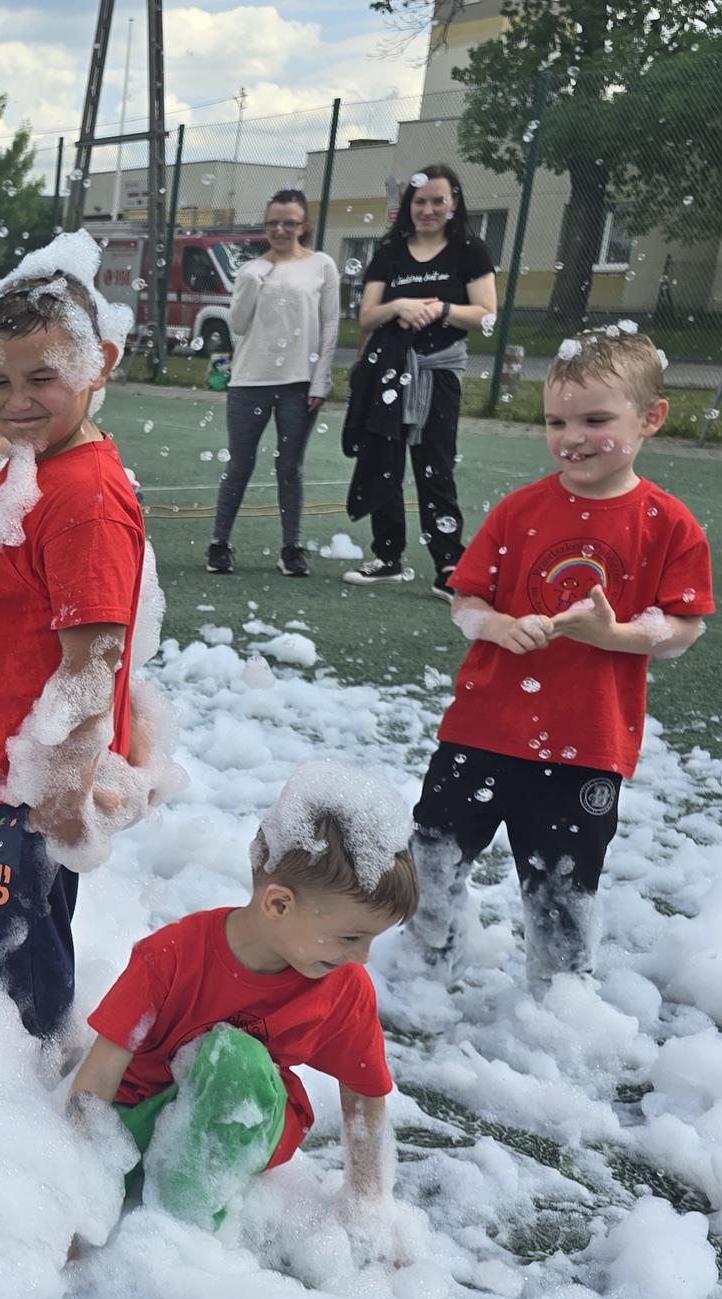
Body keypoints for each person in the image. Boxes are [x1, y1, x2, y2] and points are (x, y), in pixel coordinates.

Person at [408, 327, 712, 987]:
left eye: (595, 420)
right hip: (482, 728)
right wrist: (496, 626)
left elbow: (684, 627)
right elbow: (465, 601)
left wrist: (616, 636)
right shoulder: (520, 510)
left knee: (564, 883)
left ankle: (556, 1000)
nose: (572, 437)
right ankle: (424, 968)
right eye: (556, 422)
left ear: (650, 418)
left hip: (585, 745)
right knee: (433, 852)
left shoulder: (669, 524)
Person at [0, 235, 148, 1040]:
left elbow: (94, 663)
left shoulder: (84, 500)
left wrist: (61, 791)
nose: (16, 400)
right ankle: (7, 1064)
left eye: (41, 378)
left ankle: (36, 1068)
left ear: (99, 364)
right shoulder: (32, 471)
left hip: (22, 789)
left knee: (18, 953)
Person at [64, 762, 418, 1233]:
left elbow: (363, 1096)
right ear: (278, 904)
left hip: (252, 1118)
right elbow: (98, 1078)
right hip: (146, 1111)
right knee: (115, 1184)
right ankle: (152, 1228)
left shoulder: (344, 987)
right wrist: (73, 1192)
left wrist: (368, 1213)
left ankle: (187, 1232)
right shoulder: (171, 958)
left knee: (234, 1060)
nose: (363, 956)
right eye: (351, 937)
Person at [342, 164, 499, 593]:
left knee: (436, 467)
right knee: (384, 461)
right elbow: (367, 315)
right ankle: (387, 556)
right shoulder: (391, 252)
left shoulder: (470, 251)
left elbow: (486, 313)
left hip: (438, 373)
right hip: (389, 372)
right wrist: (399, 307)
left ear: (454, 203)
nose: (428, 210)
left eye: (437, 201)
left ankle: (449, 565)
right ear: (408, 205)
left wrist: (441, 310)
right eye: (420, 201)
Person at [206, 190, 339, 579]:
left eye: (289, 223)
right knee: (239, 464)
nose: (280, 230)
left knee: (290, 467)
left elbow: (330, 323)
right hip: (250, 381)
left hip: (300, 384)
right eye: (273, 223)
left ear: (304, 226)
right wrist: (250, 281)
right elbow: (238, 324)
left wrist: (321, 378)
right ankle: (219, 544)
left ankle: (291, 549)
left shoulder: (322, 265)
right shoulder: (252, 269)